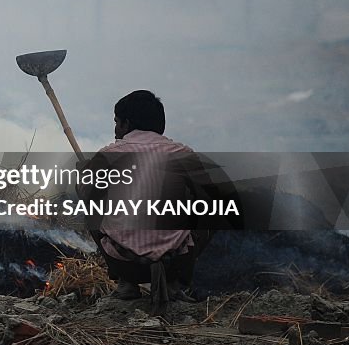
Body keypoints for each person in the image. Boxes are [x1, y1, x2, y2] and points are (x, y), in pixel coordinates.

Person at [82, 90, 236, 313]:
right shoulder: (182, 153)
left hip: (126, 262)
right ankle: (176, 283)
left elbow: (88, 195)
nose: (115, 129)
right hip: (174, 260)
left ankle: (126, 283)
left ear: (126, 124)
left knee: (92, 209)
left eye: (117, 122)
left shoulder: (109, 154)